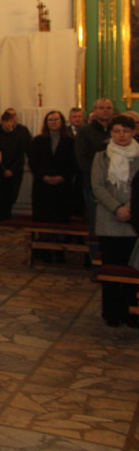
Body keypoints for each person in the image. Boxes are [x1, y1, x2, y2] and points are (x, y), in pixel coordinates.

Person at [90, 114, 139, 327]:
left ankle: (131, 311)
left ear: (134, 132)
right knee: (111, 267)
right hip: (109, 219)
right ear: (111, 133)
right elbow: (98, 187)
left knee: (132, 270)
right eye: (117, 131)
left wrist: (130, 208)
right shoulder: (101, 157)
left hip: (134, 220)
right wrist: (117, 208)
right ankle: (111, 312)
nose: (121, 135)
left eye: (126, 131)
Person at [28, 110, 75, 224]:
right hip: (42, 185)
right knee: (43, 216)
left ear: (62, 122)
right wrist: (44, 177)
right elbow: (33, 162)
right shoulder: (38, 140)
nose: (53, 122)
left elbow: (73, 163)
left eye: (56, 119)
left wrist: (62, 177)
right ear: (46, 123)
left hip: (62, 185)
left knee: (61, 216)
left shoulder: (70, 141)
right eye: (50, 120)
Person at [75, 98, 114, 233]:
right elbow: (82, 159)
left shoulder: (116, 131)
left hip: (114, 187)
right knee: (96, 223)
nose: (105, 111)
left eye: (108, 108)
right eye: (101, 108)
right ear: (94, 111)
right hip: (93, 185)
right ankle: (94, 254)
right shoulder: (85, 131)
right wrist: (98, 178)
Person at [0, 108, 31, 224]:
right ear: (2, 122)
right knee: (1, 197)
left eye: (11, 122)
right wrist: (3, 169)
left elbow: (21, 154)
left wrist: (12, 169)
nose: (9, 124)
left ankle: (7, 218)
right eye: (7, 122)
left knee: (12, 196)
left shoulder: (18, 135)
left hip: (15, 171)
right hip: (1, 171)